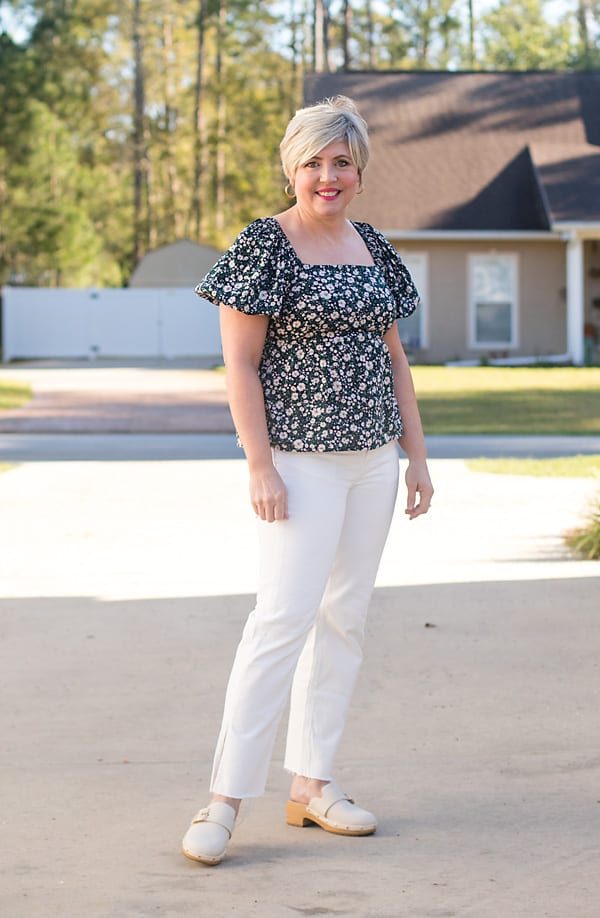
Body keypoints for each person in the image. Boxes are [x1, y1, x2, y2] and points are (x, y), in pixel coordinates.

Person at [182, 95, 433, 866]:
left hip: (373, 464)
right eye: (314, 161)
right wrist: (259, 465)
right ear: (292, 166)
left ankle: (312, 786)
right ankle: (223, 799)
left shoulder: (374, 249)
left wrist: (417, 458)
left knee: (344, 621)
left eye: (343, 162)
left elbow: (395, 360)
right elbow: (239, 365)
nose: (328, 176)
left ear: (359, 171)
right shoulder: (264, 246)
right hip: (300, 463)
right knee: (279, 623)